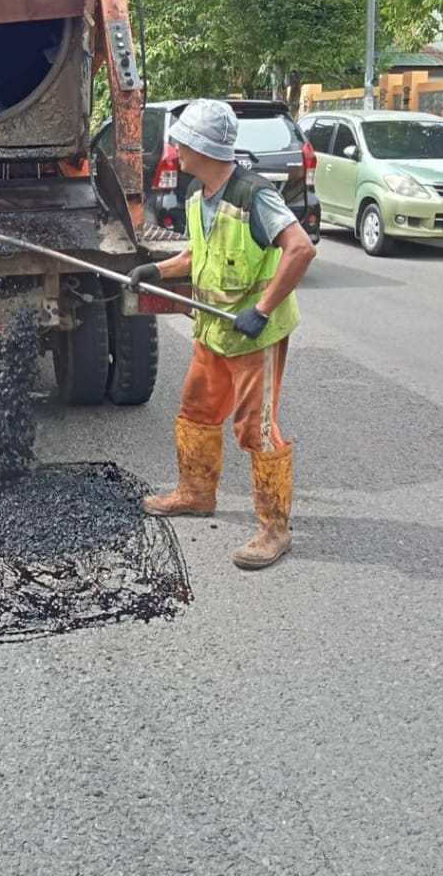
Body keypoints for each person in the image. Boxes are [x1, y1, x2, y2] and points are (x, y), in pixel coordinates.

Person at [129, 99, 316, 569]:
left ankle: (275, 529)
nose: (176, 148)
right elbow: (198, 255)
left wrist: (263, 307)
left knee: (256, 429)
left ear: (201, 147)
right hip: (213, 328)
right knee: (196, 408)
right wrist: (157, 268)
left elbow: (300, 250)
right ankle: (196, 493)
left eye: (182, 141)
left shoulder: (255, 195)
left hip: (254, 332)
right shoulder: (199, 195)